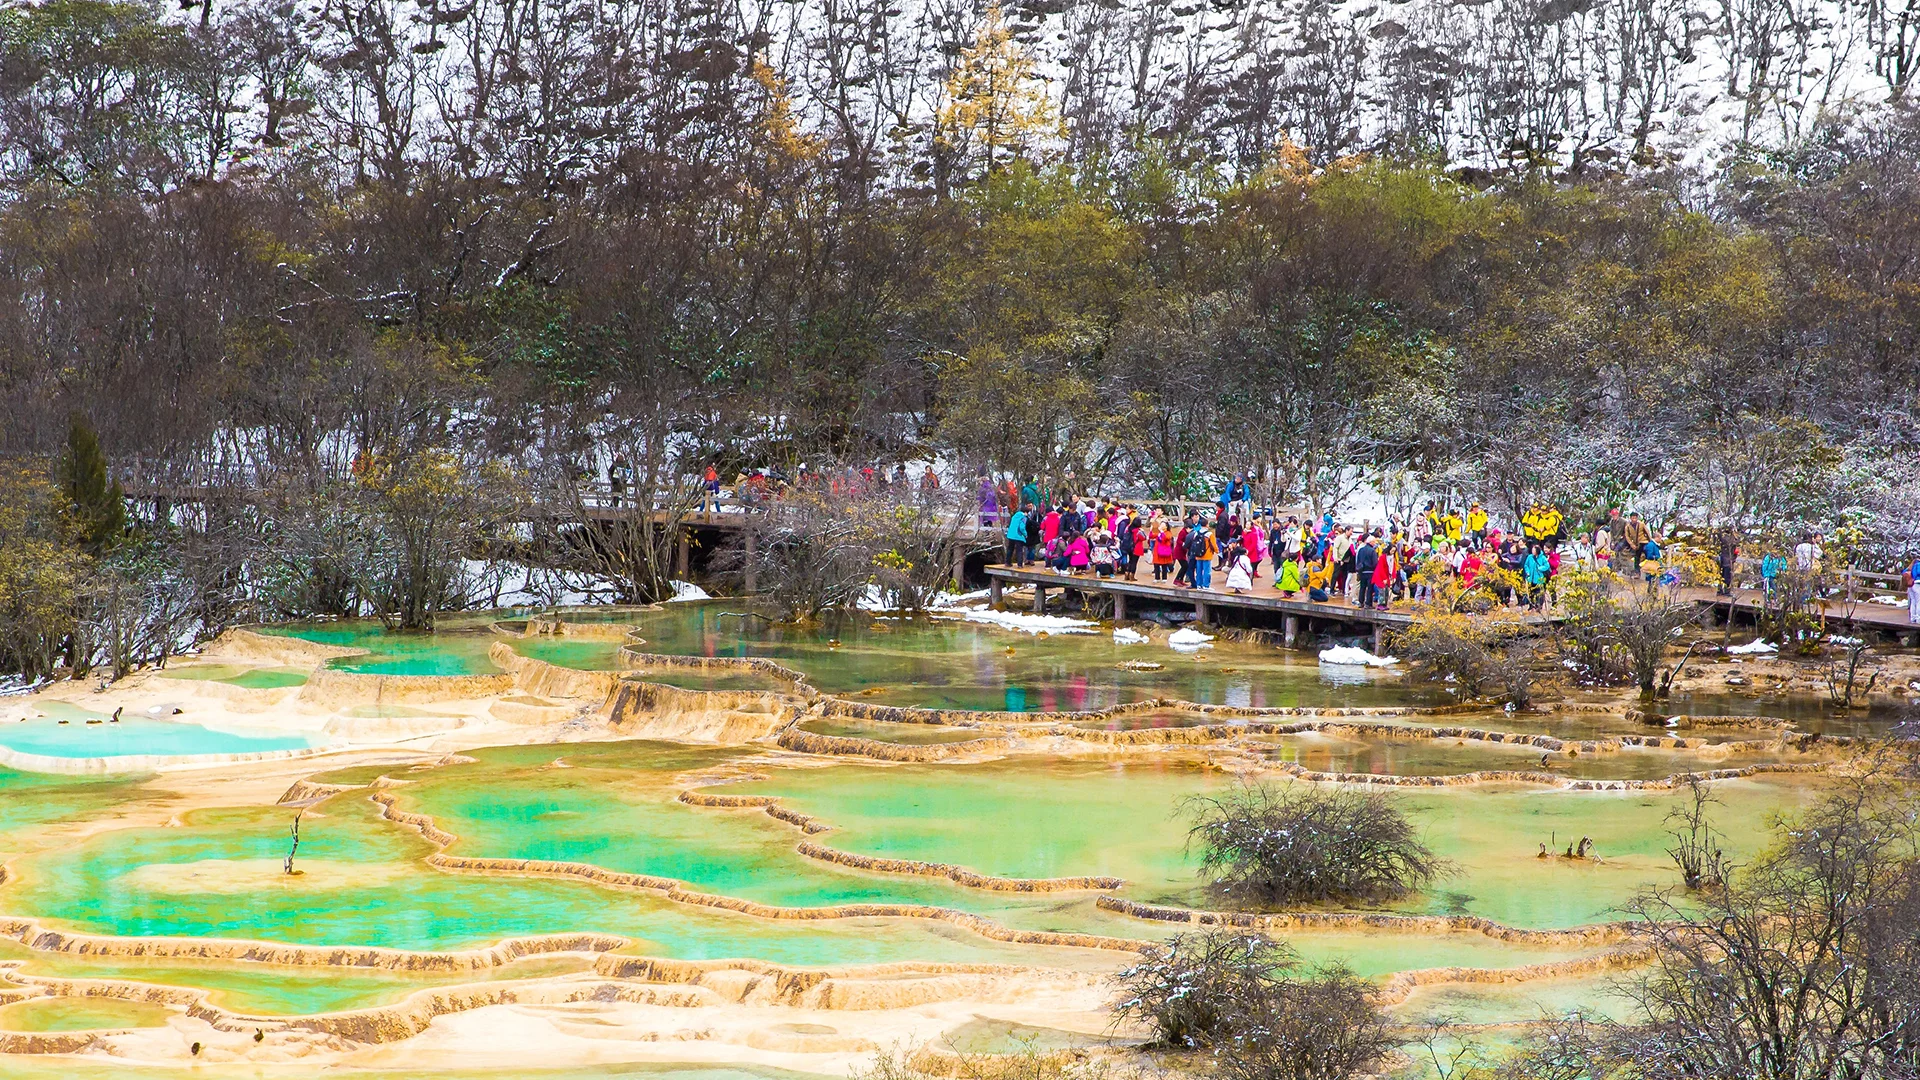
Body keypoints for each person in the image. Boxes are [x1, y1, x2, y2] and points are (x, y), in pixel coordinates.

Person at [1523, 544, 1552, 611]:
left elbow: (1547, 566)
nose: (1533, 551)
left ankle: (1539, 606)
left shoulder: (1542, 558)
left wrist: (1540, 568)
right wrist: (1528, 572)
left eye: (1534, 550)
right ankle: (1531, 605)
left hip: (1539, 578)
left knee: (1539, 593)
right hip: (1531, 577)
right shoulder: (1530, 557)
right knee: (1531, 592)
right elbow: (1526, 565)